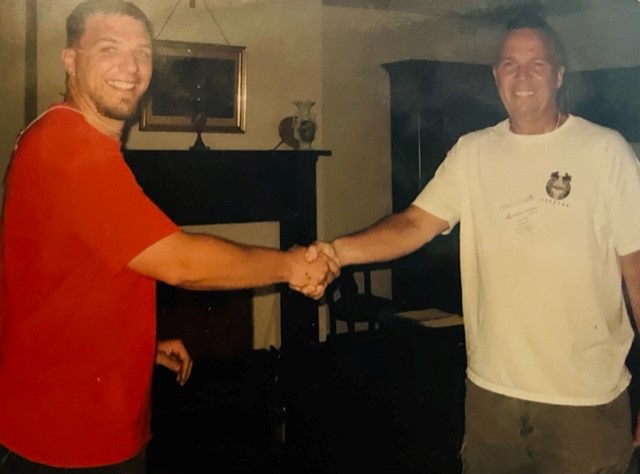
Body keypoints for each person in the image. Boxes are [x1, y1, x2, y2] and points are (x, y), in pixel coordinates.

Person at [0, 0, 335, 472]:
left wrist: (139, 345)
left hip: (77, 417)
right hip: (64, 439)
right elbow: (180, 261)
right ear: (70, 59)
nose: (131, 68)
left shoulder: (61, 135)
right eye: (110, 49)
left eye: (143, 53)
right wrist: (292, 264)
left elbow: (67, 269)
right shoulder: (68, 148)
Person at [305, 16, 640, 473]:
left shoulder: (606, 151)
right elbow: (413, 224)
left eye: (537, 64)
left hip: (584, 406)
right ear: (496, 76)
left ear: (559, 75)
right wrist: (335, 252)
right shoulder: (472, 152)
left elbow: (636, 271)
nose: (522, 76)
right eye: (510, 64)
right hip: (491, 401)